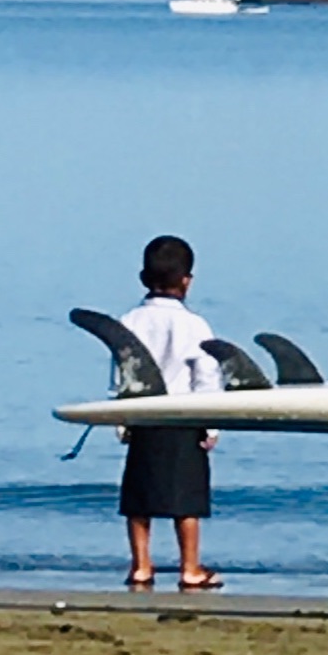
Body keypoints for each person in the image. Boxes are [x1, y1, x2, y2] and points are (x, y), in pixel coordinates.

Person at [115, 235, 224, 591]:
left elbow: (121, 372)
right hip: (183, 415)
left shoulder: (128, 320)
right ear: (187, 280)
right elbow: (206, 376)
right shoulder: (194, 325)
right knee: (187, 501)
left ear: (143, 278)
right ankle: (189, 567)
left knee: (139, 498)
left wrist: (120, 420)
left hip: (143, 414)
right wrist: (211, 424)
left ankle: (141, 565)